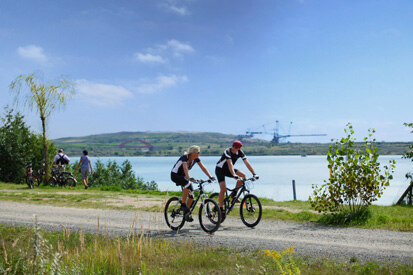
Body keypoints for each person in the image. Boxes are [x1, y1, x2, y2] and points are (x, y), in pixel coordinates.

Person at [215, 140, 258, 219]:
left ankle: (234, 194)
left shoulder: (240, 152)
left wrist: (254, 174)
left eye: (236, 147)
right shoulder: (227, 151)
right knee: (223, 189)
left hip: (228, 170)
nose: (234, 148)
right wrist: (234, 174)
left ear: (239, 148)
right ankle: (221, 209)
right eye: (233, 146)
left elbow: (247, 163)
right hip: (220, 170)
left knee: (243, 176)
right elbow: (230, 163)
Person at [171, 145, 215, 222]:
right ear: (193, 153)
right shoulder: (184, 158)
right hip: (175, 175)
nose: (199, 154)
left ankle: (186, 213)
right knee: (187, 184)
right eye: (198, 152)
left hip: (183, 177)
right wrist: (189, 178)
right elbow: (185, 168)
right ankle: (183, 205)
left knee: (191, 196)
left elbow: (203, 168)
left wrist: (210, 176)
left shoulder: (196, 159)